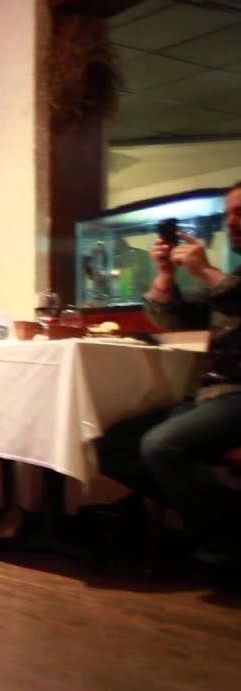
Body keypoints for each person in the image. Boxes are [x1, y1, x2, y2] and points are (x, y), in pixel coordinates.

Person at [96, 182, 241, 565]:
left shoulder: (228, 279)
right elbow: (170, 316)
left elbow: (232, 298)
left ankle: (221, 543)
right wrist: (165, 274)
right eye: (227, 214)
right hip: (213, 395)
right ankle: (227, 521)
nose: (231, 222)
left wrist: (206, 270)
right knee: (110, 446)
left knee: (161, 446)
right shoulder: (235, 274)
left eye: (239, 212)